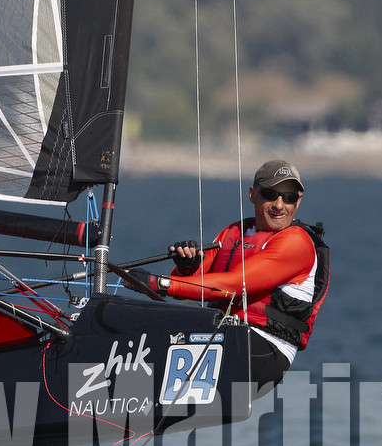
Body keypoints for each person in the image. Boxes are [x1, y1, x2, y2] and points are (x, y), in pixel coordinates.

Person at [124, 160, 329, 385]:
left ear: (298, 200)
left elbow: (232, 285)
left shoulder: (297, 242)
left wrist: (159, 283)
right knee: (160, 320)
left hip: (266, 349)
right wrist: (187, 267)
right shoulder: (233, 233)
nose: (279, 205)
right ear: (253, 194)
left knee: (166, 336)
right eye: (270, 194)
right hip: (223, 332)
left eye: (289, 197)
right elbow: (191, 286)